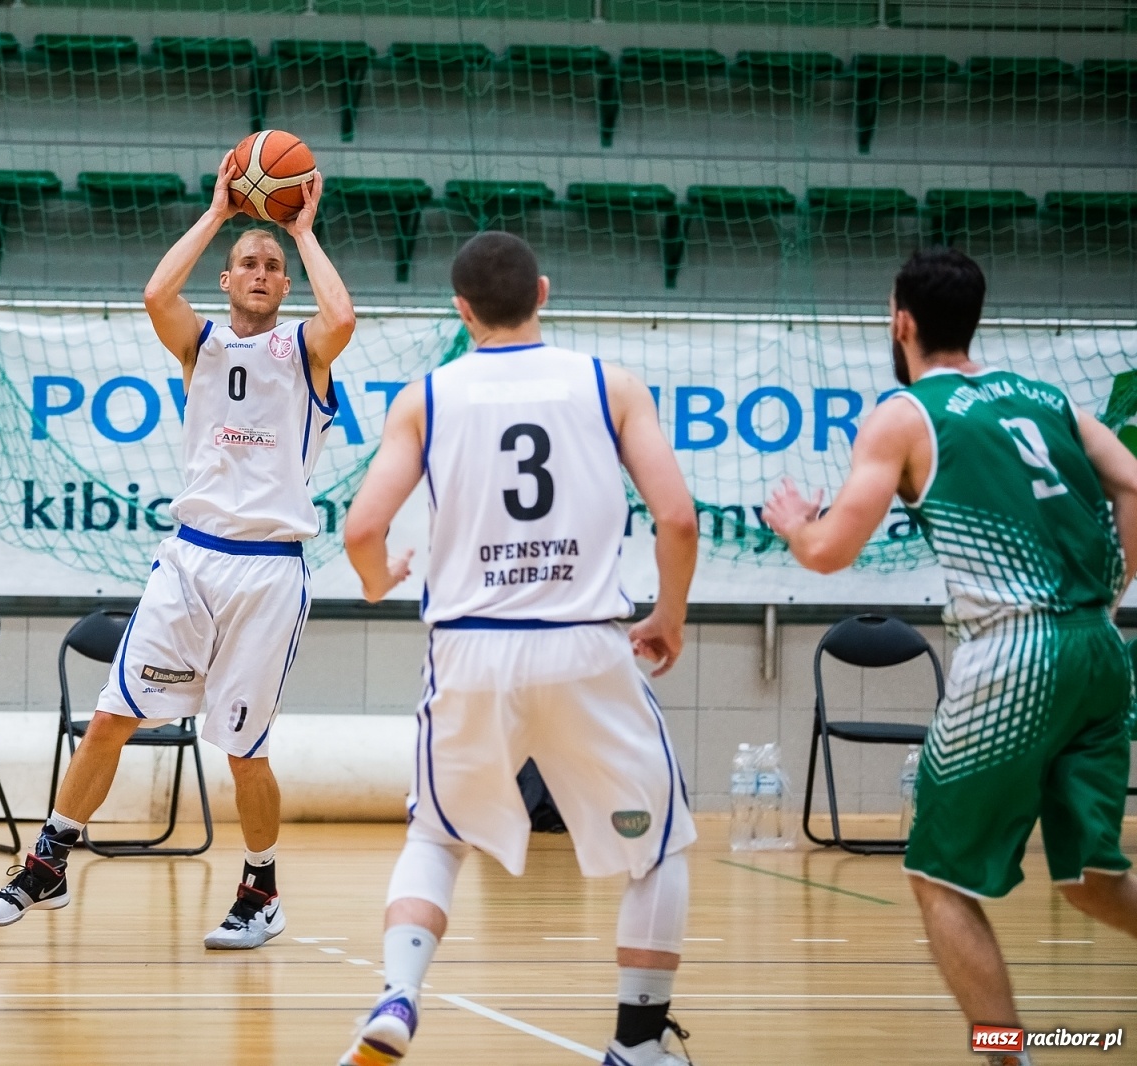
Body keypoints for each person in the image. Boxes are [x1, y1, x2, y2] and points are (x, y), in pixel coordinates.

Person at [762, 247, 1137, 1066]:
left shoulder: (904, 415)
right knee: (1094, 879)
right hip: (1100, 647)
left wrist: (795, 524)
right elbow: (1135, 483)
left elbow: (828, 551)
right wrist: (1111, 591)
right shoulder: (1049, 400)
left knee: (939, 878)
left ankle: (1006, 1055)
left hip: (1012, 653)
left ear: (901, 321)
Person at [0, 151, 355, 949]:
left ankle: (261, 891)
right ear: (226, 278)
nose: (259, 272)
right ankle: (47, 862)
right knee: (113, 716)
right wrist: (218, 213)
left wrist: (301, 233)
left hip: (268, 570)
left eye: (271, 267)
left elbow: (343, 319)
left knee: (244, 751)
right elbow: (155, 294)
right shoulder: (200, 344)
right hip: (188, 560)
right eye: (247, 263)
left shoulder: (304, 351)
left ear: (286, 286)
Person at [337, 231, 701, 1066]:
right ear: (543, 291)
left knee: (437, 838)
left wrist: (376, 577)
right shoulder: (611, 384)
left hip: (469, 652)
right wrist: (670, 615)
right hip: (585, 648)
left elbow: (361, 530)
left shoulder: (427, 397)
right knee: (657, 845)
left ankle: (398, 996)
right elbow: (678, 519)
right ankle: (638, 1044)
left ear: (462, 311)